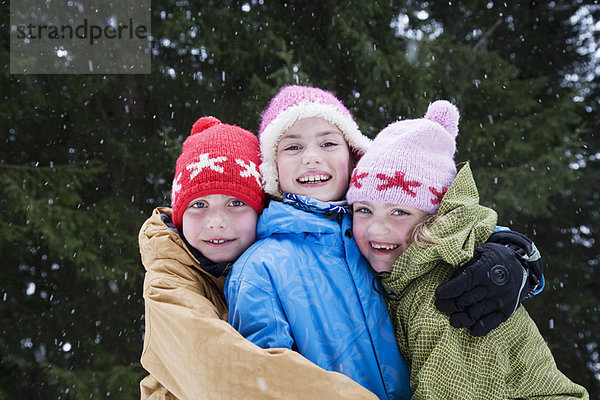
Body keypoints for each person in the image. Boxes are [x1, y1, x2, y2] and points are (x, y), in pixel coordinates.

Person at [224, 85, 544, 399]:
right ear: (271, 166)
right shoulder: (261, 267)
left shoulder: (371, 226)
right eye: (292, 147)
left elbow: (446, 223)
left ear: (352, 155)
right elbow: (266, 385)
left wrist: (513, 253)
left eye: (328, 143)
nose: (311, 158)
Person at [346, 100, 589, 399]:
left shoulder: (446, 293)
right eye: (364, 210)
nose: (376, 230)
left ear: (433, 218)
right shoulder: (407, 274)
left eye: (399, 212)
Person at [139, 116, 381, 400]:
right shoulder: (167, 281)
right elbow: (223, 374)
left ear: (261, 208)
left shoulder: (274, 263)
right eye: (199, 205)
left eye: (236, 203)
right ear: (179, 216)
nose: (216, 222)